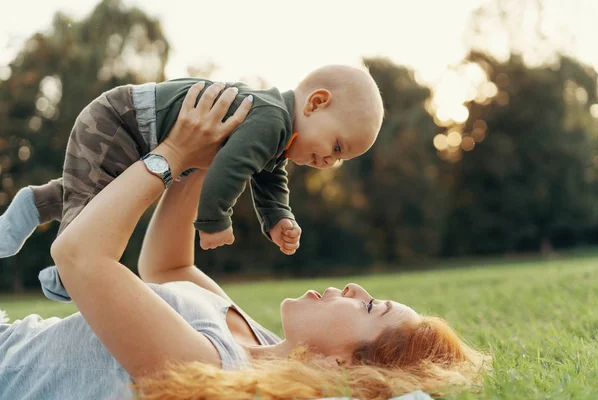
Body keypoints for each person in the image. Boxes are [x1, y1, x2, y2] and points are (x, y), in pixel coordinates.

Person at [0, 85, 487, 400]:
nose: (357, 288)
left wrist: (170, 153)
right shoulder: (259, 339)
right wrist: (203, 158)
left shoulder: (212, 374)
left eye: (370, 308)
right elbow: (167, 268)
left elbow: (79, 256)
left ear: (341, 364)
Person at [0, 64, 383, 261]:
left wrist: (278, 217)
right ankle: (70, 266)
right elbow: (231, 168)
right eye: (336, 146)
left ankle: (33, 205)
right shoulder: (270, 118)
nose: (330, 161)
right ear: (316, 103)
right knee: (91, 202)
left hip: (134, 130)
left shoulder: (278, 136)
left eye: (340, 160)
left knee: (94, 190)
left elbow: (268, 177)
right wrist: (214, 221)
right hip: (124, 121)